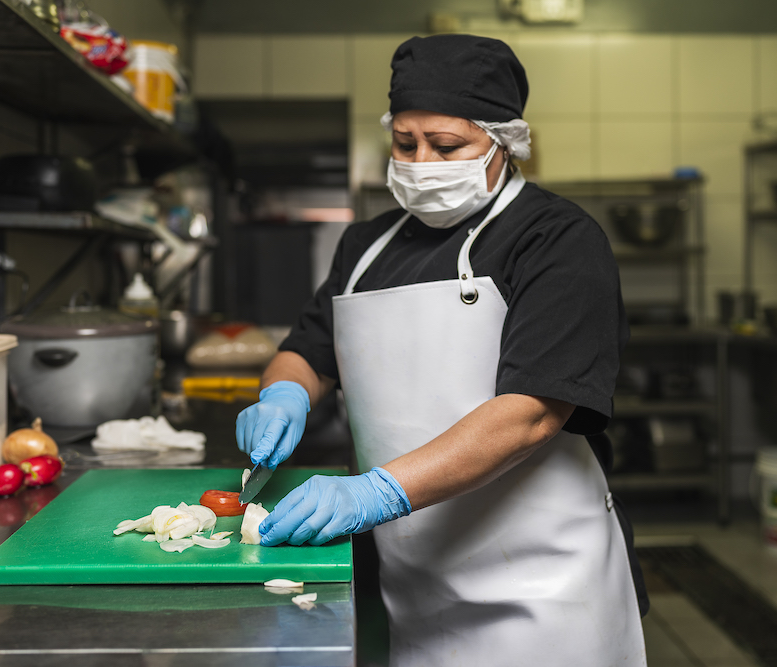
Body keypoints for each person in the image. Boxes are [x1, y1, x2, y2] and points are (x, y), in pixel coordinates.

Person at [235, 34, 647, 666]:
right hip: (416, 578)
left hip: (542, 587)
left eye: (447, 145)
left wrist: (372, 494)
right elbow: (306, 350)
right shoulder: (365, 246)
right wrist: (282, 392)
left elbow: (533, 410)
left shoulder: (557, 240)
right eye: (406, 143)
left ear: (503, 142)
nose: (422, 160)